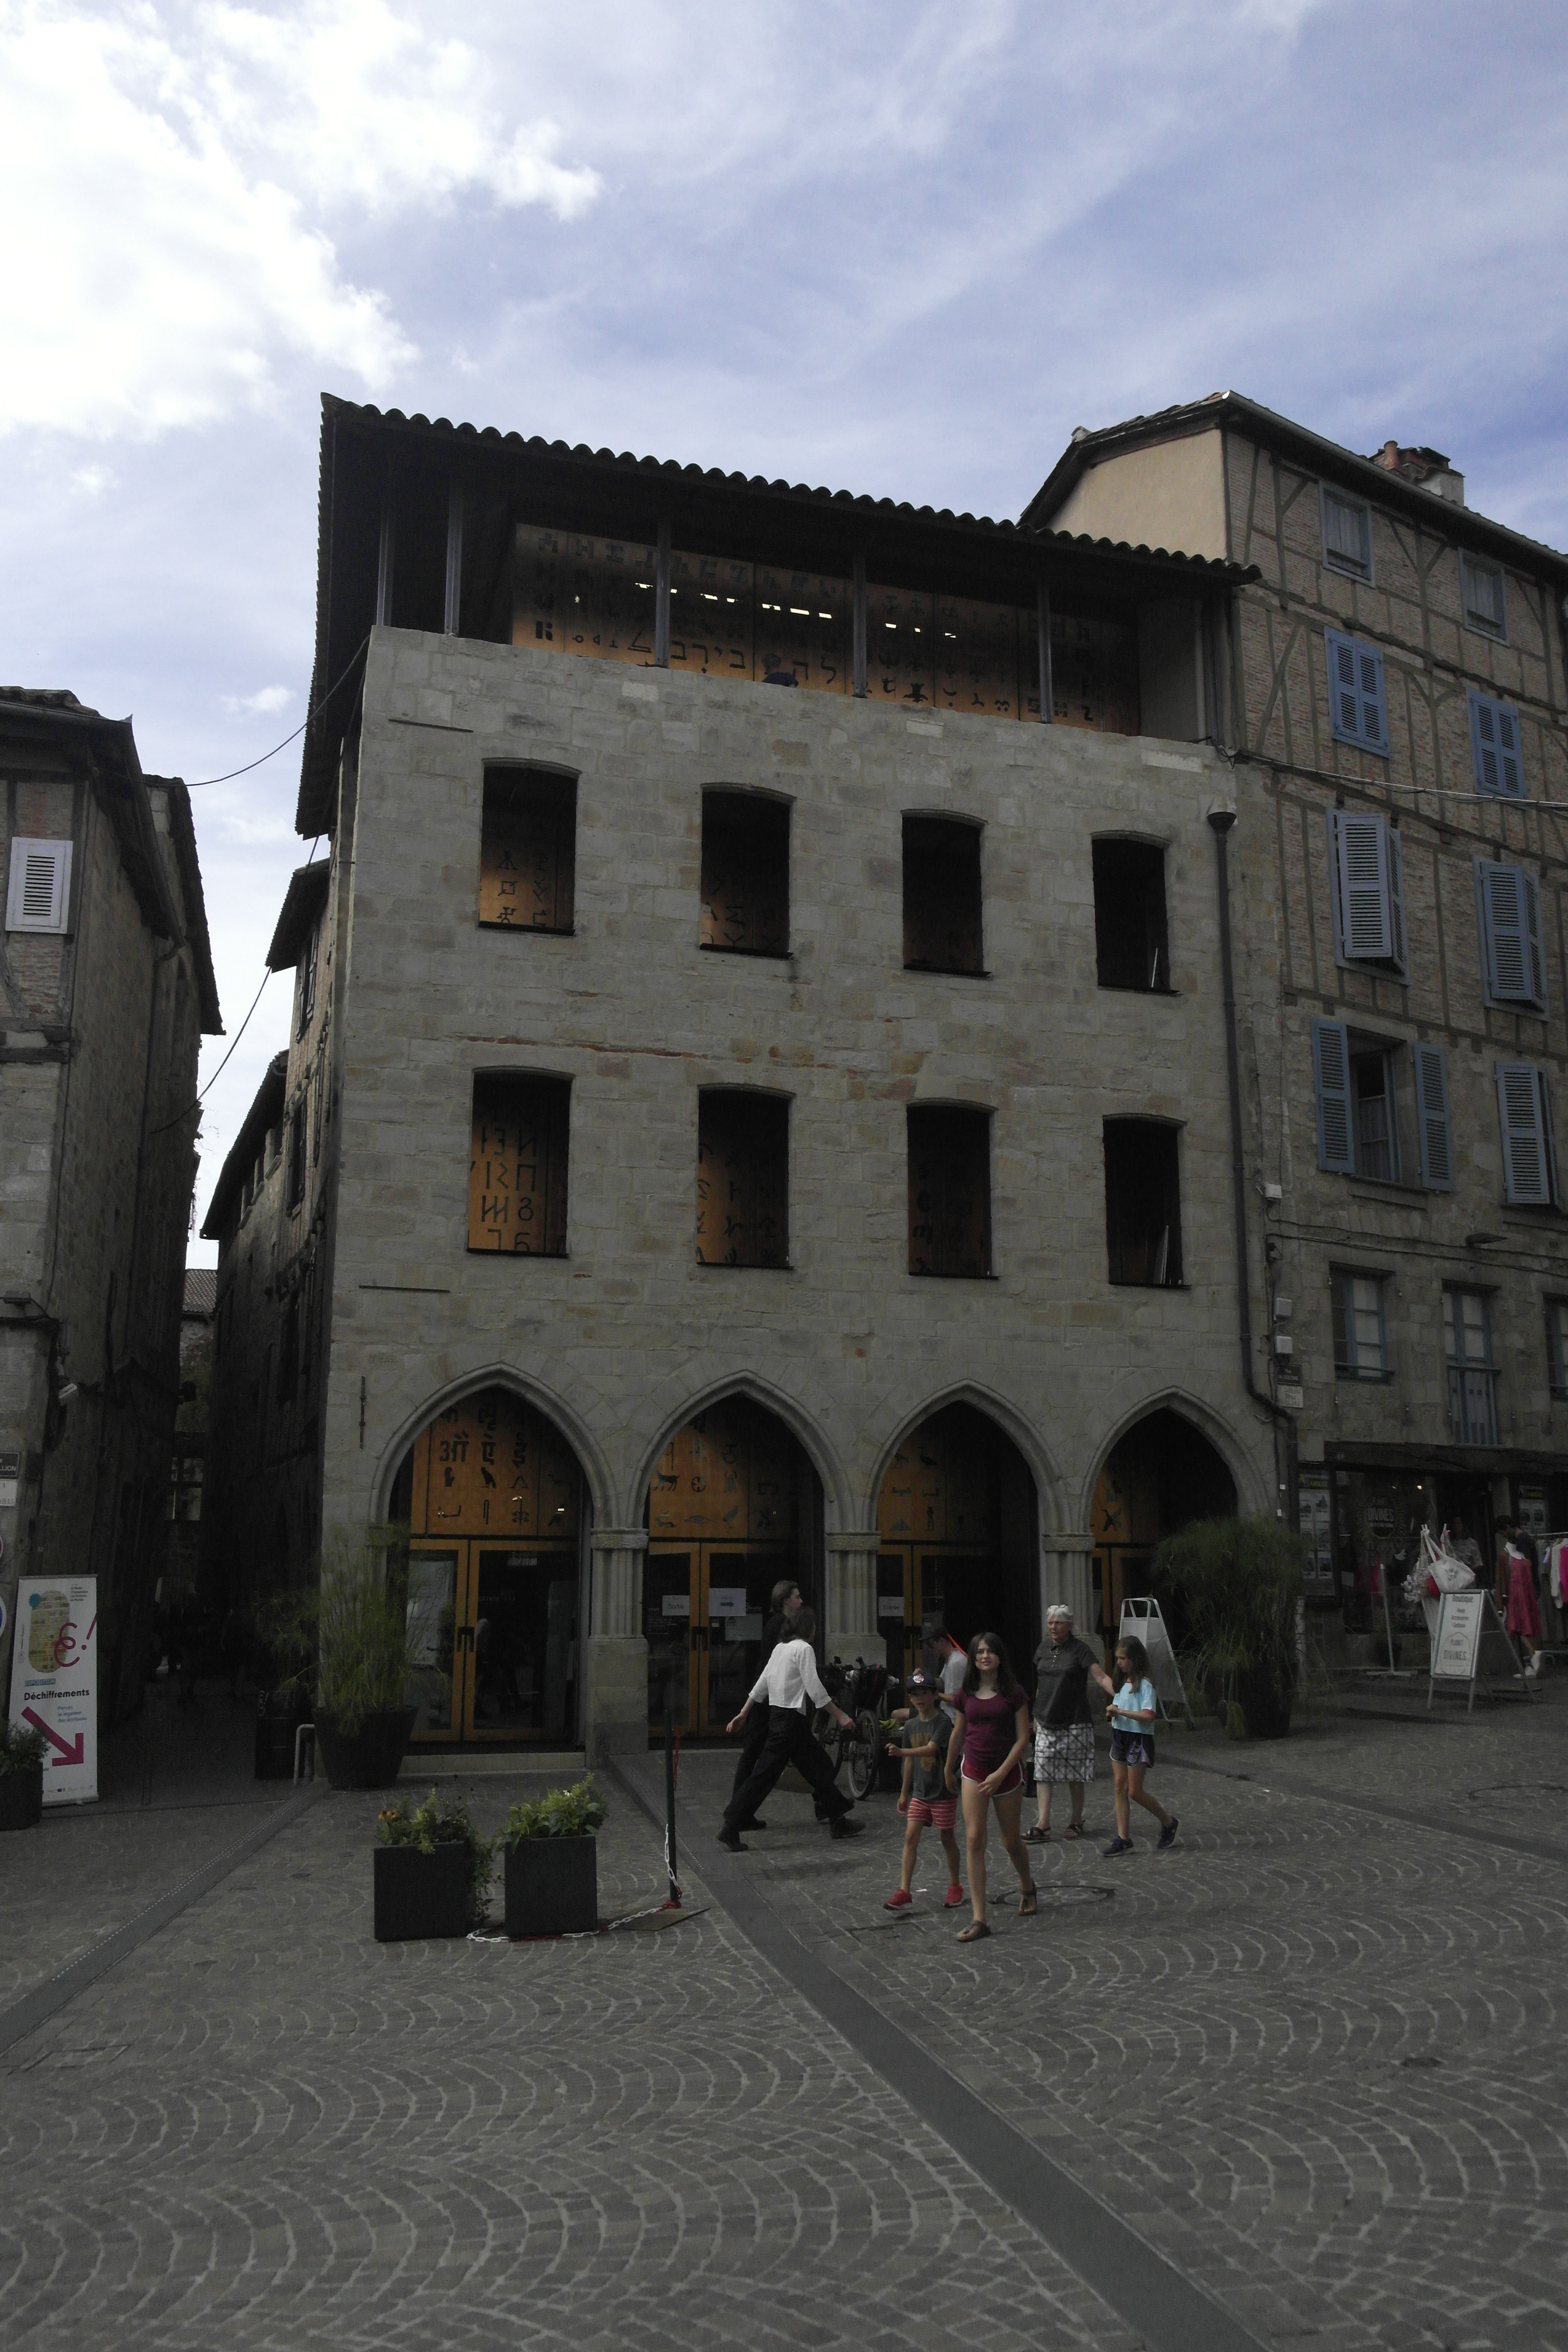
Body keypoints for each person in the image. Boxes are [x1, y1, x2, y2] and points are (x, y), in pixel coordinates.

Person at [719, 1608, 864, 1850]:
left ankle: (837, 1818)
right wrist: (841, 1716)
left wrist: (744, 1712)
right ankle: (731, 1824)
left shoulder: (780, 1649)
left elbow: (762, 1683)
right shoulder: (804, 1649)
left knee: (820, 1767)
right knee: (765, 1776)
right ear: (810, 1629)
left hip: (784, 1719)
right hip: (790, 1722)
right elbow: (815, 1688)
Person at [943, 1630, 1035, 1942]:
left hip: (1006, 1774)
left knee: (1011, 1841)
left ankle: (1027, 1884)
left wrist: (1001, 1773)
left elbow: (1023, 1738)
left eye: (990, 1652)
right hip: (973, 1770)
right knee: (973, 1840)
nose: (985, 1656)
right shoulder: (965, 1693)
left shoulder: (1014, 1693)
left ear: (999, 1657)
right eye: (980, 1652)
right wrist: (948, 1766)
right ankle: (980, 1919)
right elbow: (958, 1733)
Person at [1027, 1603, 1114, 1844]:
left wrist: (1122, 1696)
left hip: (1075, 1719)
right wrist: (1035, 1715)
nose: (1054, 1627)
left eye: (1059, 1623)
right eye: (1051, 1623)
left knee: (1076, 1773)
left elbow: (1100, 1676)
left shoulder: (1081, 1650)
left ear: (1070, 1626)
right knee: (1042, 1770)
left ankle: (1076, 1820)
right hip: (1046, 1718)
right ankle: (1043, 1824)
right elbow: (1041, 1683)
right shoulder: (1043, 1648)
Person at [883, 1670, 965, 1912]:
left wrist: (902, 1752)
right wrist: (904, 1793)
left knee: (947, 1838)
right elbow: (909, 1763)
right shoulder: (910, 1725)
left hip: (942, 1792)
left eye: (925, 1694)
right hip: (920, 1792)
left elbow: (930, 1750)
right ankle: (904, 1890)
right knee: (911, 1838)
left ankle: (955, 1885)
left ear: (934, 1696)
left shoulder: (943, 1722)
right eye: (915, 1695)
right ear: (910, 1699)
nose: (920, 1699)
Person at [726, 1577, 802, 1831]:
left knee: (757, 1751)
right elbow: (773, 1665)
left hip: (766, 1695)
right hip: (770, 1697)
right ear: (785, 1601)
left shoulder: (774, 1623)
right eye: (797, 1597)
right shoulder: (781, 1624)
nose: (800, 1602)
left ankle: (740, 1810)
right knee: (755, 1753)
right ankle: (739, 1811)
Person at [1102, 1634, 1177, 1856]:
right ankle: (1123, 1837)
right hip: (1120, 1736)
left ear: (1135, 1659)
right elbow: (1118, 1704)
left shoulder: (1145, 1685)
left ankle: (1168, 1822)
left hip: (1138, 1739)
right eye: (1118, 1658)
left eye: (1123, 1658)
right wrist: (1112, 1711)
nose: (1119, 1663)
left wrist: (1120, 1712)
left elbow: (1148, 1716)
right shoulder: (1121, 1684)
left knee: (1135, 1791)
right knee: (1119, 1786)